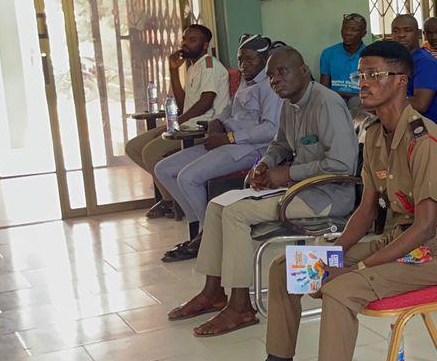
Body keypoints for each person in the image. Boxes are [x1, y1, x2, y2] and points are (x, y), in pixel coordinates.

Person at [215, 40, 437, 361]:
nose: (364, 83)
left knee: (339, 289)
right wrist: (334, 253)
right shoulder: (374, 133)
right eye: (362, 75)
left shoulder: (425, 139)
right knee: (286, 269)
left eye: (374, 75)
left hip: (436, 253)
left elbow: (427, 226)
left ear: (400, 81)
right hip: (395, 239)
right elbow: (367, 209)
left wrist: (353, 269)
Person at [168, 47, 358, 337]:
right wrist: (264, 164)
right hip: (300, 190)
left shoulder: (326, 103)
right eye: (270, 76)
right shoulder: (289, 105)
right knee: (218, 205)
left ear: (304, 71)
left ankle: (241, 306)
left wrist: (287, 173)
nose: (276, 80)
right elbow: (280, 144)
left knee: (235, 214)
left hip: (327, 198)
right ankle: (213, 291)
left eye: (283, 72)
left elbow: (342, 165)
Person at [155, 34, 283, 262]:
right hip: (226, 140)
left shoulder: (270, 84)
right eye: (241, 60)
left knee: (188, 177)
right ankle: (203, 227)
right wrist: (219, 121)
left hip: (250, 149)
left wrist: (230, 138)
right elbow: (231, 110)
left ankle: (205, 236)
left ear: (265, 59)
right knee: (164, 169)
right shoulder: (247, 79)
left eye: (250, 60)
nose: (244, 66)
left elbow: (271, 129)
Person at [126, 23, 230, 219]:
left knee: (150, 152)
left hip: (204, 127)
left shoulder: (209, 65)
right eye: (184, 39)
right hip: (187, 124)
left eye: (192, 40)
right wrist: (173, 71)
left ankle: (170, 201)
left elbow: (206, 102)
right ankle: (172, 198)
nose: (185, 44)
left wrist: (176, 123)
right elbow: (183, 104)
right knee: (134, 147)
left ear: (205, 45)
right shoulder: (193, 67)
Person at [384, 13, 437, 123]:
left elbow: (420, 104)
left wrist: (383, 101)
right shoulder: (396, 61)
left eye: (407, 30)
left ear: (418, 33)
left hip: (421, 128)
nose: (401, 35)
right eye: (396, 31)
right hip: (397, 120)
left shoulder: (426, 63)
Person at [318, 13, 368, 100]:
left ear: (364, 34)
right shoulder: (328, 54)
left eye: (354, 30)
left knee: (355, 102)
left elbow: (371, 94)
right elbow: (324, 91)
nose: (348, 33)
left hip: (362, 105)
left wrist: (340, 94)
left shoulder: (371, 56)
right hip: (334, 104)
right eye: (345, 28)